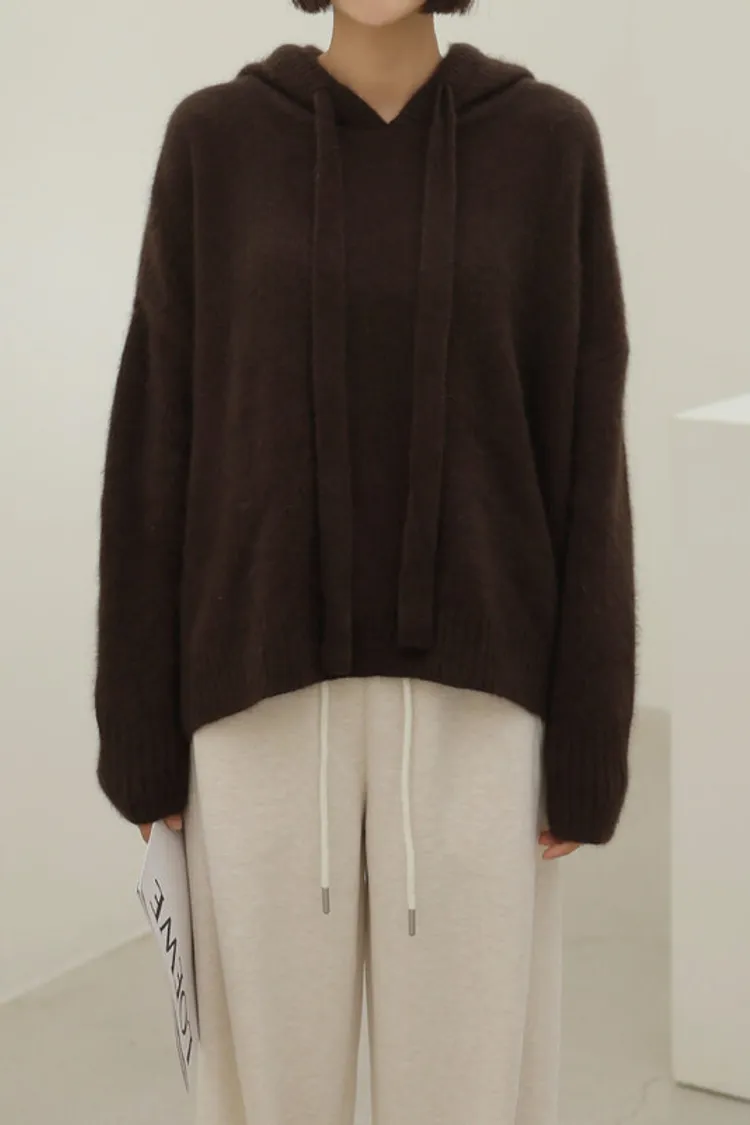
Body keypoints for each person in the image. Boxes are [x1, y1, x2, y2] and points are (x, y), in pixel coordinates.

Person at [94, 0, 636, 1121]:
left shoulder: (548, 144)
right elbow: (156, 436)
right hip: (255, 706)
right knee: (265, 1098)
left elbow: (586, 449)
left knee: (471, 1095)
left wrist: (589, 741)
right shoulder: (214, 143)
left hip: (482, 717)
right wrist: (140, 731)